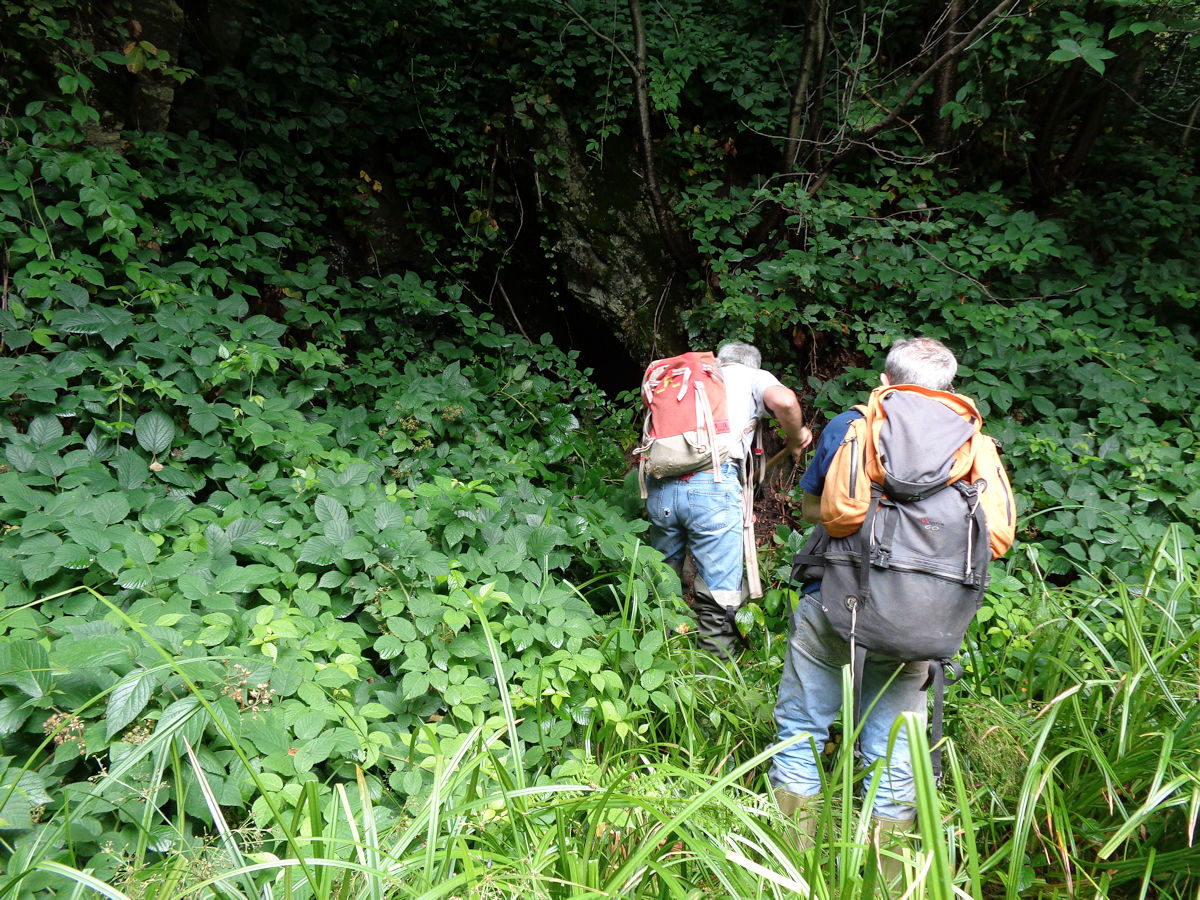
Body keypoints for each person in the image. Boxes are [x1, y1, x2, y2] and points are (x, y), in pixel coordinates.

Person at [770, 337, 961, 845]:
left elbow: (813, 510)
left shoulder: (851, 427)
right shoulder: (966, 441)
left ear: (884, 382)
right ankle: (886, 871)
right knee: (896, 745)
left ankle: (790, 861)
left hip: (836, 598)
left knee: (801, 727)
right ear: (949, 388)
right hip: (920, 615)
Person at [643, 341, 812, 658]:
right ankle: (713, 671)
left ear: (719, 360)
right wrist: (798, 433)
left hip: (661, 485)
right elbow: (785, 400)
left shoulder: (693, 379)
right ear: (753, 363)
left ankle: (659, 655)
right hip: (713, 485)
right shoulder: (752, 375)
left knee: (662, 579)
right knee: (720, 589)